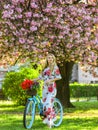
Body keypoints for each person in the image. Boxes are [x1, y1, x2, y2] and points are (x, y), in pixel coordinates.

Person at [37, 53, 62, 128]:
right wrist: (30, 80)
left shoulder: (55, 67)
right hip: (44, 88)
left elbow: (58, 77)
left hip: (51, 88)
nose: (50, 59)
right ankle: (52, 117)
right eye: (49, 58)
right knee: (45, 105)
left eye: (51, 58)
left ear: (53, 59)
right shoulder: (45, 68)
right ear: (47, 59)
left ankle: (50, 122)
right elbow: (40, 77)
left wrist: (50, 80)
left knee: (48, 104)